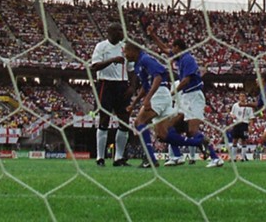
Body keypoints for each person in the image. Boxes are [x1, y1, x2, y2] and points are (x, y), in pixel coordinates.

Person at [123, 40, 196, 168]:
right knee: (162, 134)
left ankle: (150, 159)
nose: (124, 54)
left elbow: (159, 77)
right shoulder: (138, 64)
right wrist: (134, 103)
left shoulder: (145, 59)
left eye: (126, 51)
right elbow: (145, 87)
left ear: (133, 50)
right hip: (159, 93)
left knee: (139, 122)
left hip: (159, 93)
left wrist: (148, 99)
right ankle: (198, 142)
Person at [168, 39, 224, 168]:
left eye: (173, 47)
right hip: (186, 98)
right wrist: (153, 35)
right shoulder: (180, 58)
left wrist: (172, 93)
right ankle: (177, 156)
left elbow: (186, 80)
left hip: (194, 96)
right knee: (171, 128)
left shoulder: (188, 59)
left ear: (178, 47)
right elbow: (166, 51)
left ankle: (216, 158)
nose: (171, 51)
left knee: (192, 131)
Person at [88, 23, 130, 167]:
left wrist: (133, 87)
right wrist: (112, 60)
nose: (121, 33)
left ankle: (118, 158)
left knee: (124, 120)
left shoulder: (125, 47)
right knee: (104, 120)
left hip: (122, 85)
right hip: (105, 84)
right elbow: (94, 66)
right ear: (110, 32)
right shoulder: (101, 46)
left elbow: (132, 69)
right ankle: (100, 158)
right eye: (119, 30)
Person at [226, 94, 254, 162]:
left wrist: (250, 127)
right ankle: (234, 158)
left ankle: (243, 157)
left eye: (243, 96)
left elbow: (251, 118)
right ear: (239, 97)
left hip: (244, 124)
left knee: (244, 140)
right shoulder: (235, 105)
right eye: (241, 96)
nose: (242, 97)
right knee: (234, 140)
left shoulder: (248, 107)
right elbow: (232, 113)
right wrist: (232, 116)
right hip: (236, 124)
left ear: (245, 97)